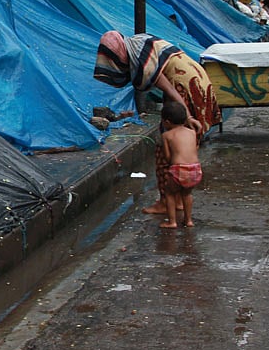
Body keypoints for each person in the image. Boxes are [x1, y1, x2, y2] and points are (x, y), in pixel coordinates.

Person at [93, 30, 221, 215]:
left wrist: (186, 113)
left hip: (183, 86)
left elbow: (168, 87)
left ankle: (165, 201)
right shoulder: (140, 43)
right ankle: (178, 200)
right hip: (197, 77)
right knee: (186, 146)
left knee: (166, 150)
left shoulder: (142, 62)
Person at [159, 101, 201, 229]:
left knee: (169, 193)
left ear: (167, 122)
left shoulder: (166, 135)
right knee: (187, 194)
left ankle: (172, 222)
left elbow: (167, 157)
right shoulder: (191, 132)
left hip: (179, 169)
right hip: (195, 169)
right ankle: (188, 220)